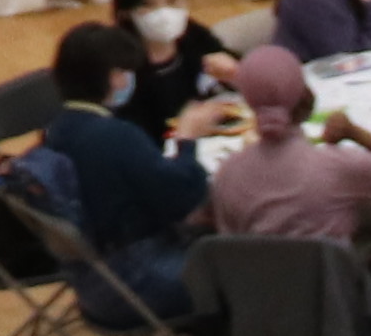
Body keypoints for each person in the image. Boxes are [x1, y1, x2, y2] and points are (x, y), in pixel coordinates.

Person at [30, 18, 227, 315]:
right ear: (113, 78)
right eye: (126, 72)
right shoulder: (116, 137)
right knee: (243, 266)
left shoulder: (54, 130)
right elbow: (183, 197)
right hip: (136, 278)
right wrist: (187, 138)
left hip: (90, 276)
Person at [205, 45, 371, 260]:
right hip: (336, 298)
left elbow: (232, 254)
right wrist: (357, 133)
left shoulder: (227, 173)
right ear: (303, 94)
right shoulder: (335, 164)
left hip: (259, 299)